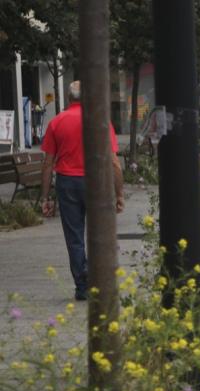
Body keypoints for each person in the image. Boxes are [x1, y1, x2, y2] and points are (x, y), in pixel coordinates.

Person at [39, 81, 125, 301]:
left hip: (67, 183)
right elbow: (114, 163)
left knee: (74, 236)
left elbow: (48, 163)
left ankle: (82, 285)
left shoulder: (56, 122)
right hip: (96, 183)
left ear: (69, 99)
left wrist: (45, 197)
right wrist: (119, 194)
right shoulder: (100, 122)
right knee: (101, 235)